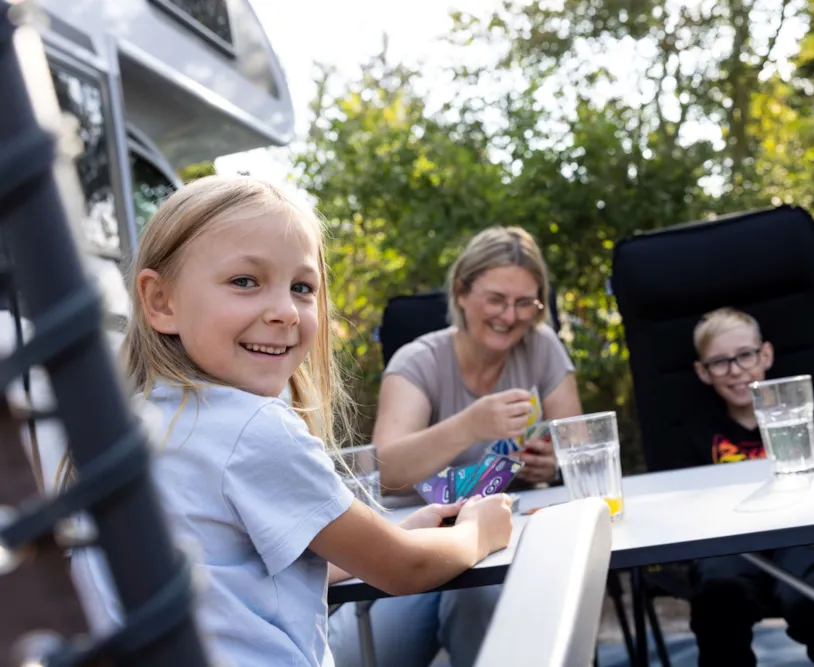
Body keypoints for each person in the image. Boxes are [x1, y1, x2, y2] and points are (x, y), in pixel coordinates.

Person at [68, 176, 514, 667]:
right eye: (245, 281)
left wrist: (398, 534)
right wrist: (479, 532)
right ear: (161, 301)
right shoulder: (252, 429)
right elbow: (404, 569)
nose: (285, 312)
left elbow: (233, 579)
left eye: (302, 288)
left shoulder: (130, 429)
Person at [328, 225, 582, 667]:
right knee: (354, 658)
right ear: (462, 292)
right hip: (415, 544)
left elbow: (578, 441)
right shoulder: (418, 360)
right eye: (496, 299)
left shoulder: (541, 347)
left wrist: (551, 462)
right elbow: (386, 471)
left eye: (526, 303)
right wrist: (470, 425)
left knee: (483, 603)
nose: (510, 316)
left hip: (506, 543)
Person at [676, 307, 814, 667]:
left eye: (745, 355)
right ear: (703, 371)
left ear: (765, 355)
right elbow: (685, 504)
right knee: (718, 596)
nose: (735, 370)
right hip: (730, 542)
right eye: (719, 362)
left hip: (804, 535)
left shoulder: (806, 420)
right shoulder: (694, 434)